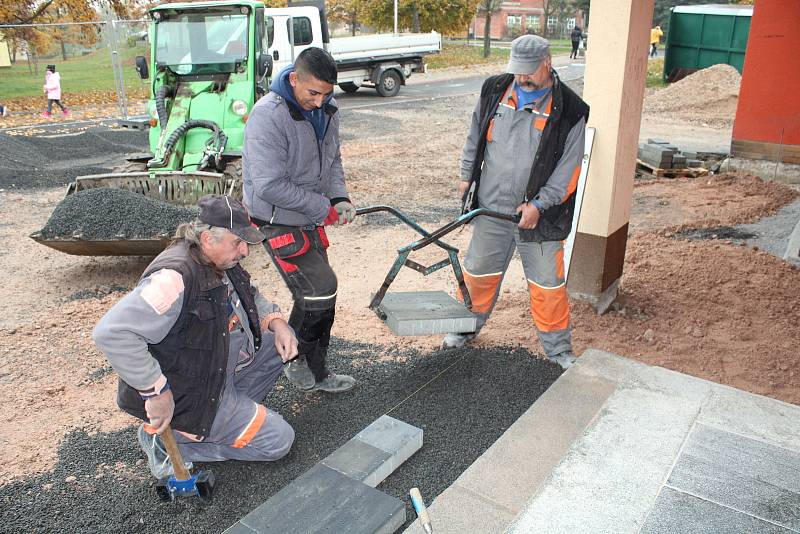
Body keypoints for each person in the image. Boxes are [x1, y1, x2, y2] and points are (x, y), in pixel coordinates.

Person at [93, 195, 297, 479]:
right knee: (279, 441)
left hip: (217, 375)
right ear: (207, 238)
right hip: (191, 392)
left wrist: (277, 323)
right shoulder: (173, 279)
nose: (245, 251)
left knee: (280, 344)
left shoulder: (220, 262)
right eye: (238, 243)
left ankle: (219, 421)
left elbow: (249, 296)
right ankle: (174, 441)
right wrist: (155, 392)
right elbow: (112, 332)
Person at [443, 34, 589, 369]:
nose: (521, 77)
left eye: (528, 71)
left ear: (547, 64)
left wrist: (539, 205)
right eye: (517, 70)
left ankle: (558, 350)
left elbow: (568, 171)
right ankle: (465, 329)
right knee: (478, 273)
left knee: (547, 284)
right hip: (491, 208)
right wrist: (467, 175)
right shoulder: (495, 90)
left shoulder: (570, 110)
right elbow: (474, 135)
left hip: (539, 215)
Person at [243, 47, 356, 394]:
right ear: (294, 79)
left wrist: (339, 197)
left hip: (308, 214)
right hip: (276, 218)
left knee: (320, 293)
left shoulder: (327, 111)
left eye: (327, 93)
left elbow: (332, 161)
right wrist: (322, 207)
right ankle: (294, 361)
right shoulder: (268, 116)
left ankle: (316, 368)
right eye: (313, 93)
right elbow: (269, 185)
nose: (321, 101)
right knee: (320, 288)